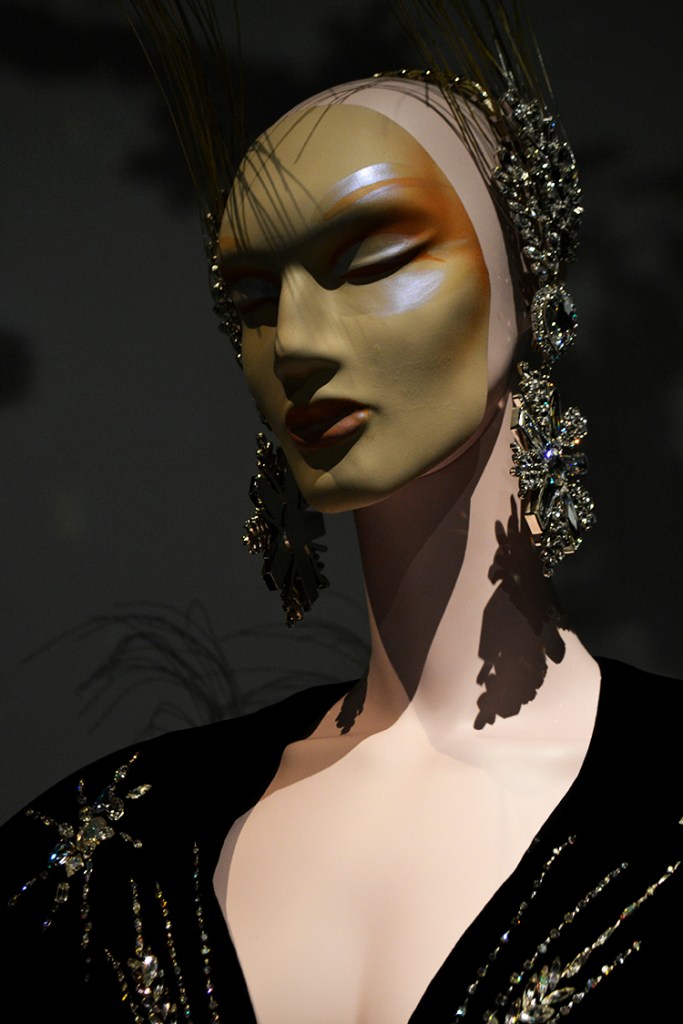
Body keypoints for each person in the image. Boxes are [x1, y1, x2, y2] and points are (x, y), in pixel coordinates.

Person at [2, 3, 680, 1023]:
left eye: (369, 262)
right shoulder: (102, 859)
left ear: (519, 274)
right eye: (252, 300)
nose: (297, 342)